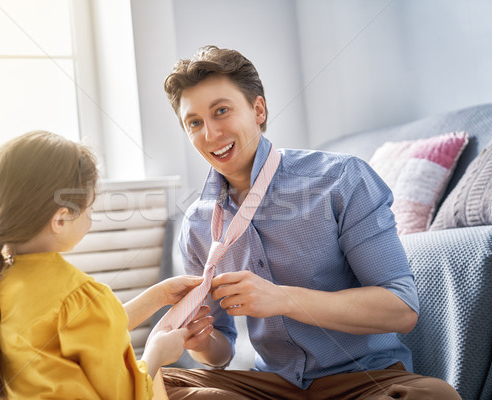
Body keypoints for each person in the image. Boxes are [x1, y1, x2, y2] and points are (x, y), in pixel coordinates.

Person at [160, 46, 461, 399]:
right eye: (194, 122)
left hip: (364, 380)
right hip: (271, 386)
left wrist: (284, 299)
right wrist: (201, 341)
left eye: (221, 111)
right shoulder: (197, 225)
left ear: (258, 110)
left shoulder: (341, 179)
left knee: (433, 396)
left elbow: (401, 308)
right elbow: (221, 351)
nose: (210, 134)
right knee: (155, 385)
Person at [0, 130, 202, 399]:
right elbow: (125, 395)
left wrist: (158, 296)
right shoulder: (80, 296)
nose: (91, 220)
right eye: (90, 210)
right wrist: (157, 355)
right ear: (60, 219)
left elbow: (90, 330)